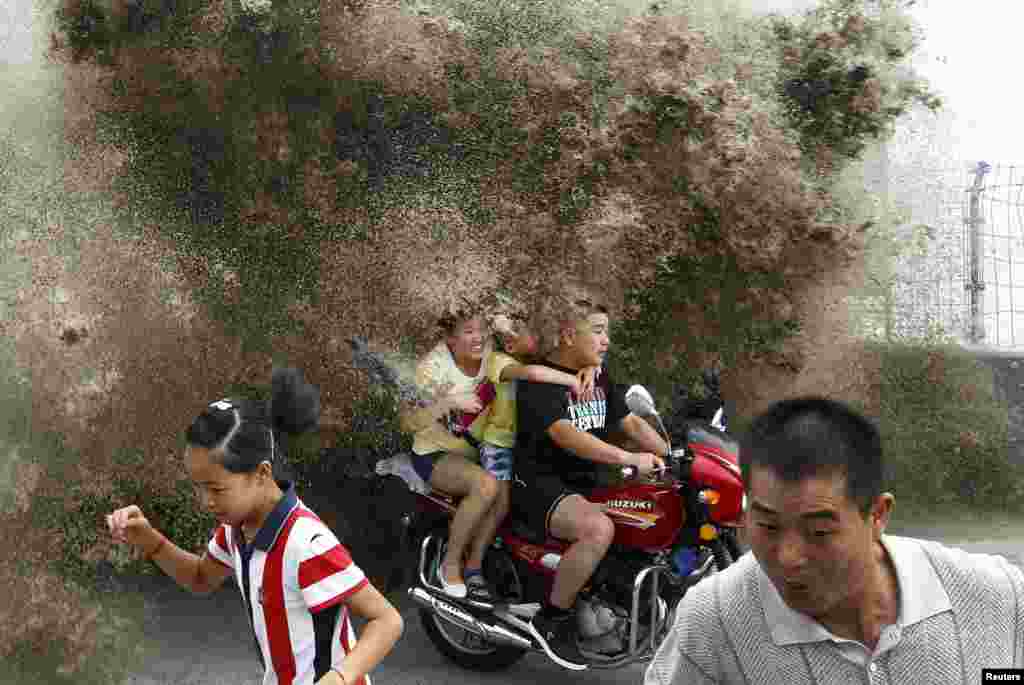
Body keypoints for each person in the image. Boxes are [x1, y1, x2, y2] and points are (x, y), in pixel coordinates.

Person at [645, 396, 1024, 685]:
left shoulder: (999, 598)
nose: (789, 558)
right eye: (768, 526)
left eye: (819, 532)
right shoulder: (713, 623)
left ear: (877, 515)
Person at [106, 368, 404, 685]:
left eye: (216, 489)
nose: (205, 501)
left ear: (262, 474)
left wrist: (338, 678)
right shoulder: (237, 528)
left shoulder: (306, 543)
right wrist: (149, 540)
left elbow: (387, 619)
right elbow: (201, 578)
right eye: (198, 488)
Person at [511, 296, 668, 669]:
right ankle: (552, 619)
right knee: (598, 530)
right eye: (597, 331)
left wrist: (672, 453)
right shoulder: (541, 383)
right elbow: (566, 435)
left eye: (607, 332)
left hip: (588, 484)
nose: (606, 340)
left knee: (647, 512)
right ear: (568, 335)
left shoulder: (598, 375)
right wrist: (630, 458)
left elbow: (627, 421)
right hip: (540, 484)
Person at [466, 313, 600, 602]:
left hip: (519, 447)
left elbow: (560, 359)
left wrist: (591, 366)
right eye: (528, 333)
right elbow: (537, 374)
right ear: (511, 346)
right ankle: (473, 567)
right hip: (497, 446)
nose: (538, 337)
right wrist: (572, 380)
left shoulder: (526, 357)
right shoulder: (500, 363)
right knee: (499, 506)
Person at [399, 311, 502, 600]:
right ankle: (450, 565)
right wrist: (448, 402)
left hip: (482, 448)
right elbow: (407, 422)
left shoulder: (492, 351)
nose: (479, 337)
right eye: (469, 331)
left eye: (483, 329)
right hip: (435, 454)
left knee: (506, 490)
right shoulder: (433, 369)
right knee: (486, 486)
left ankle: (476, 568)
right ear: (450, 339)